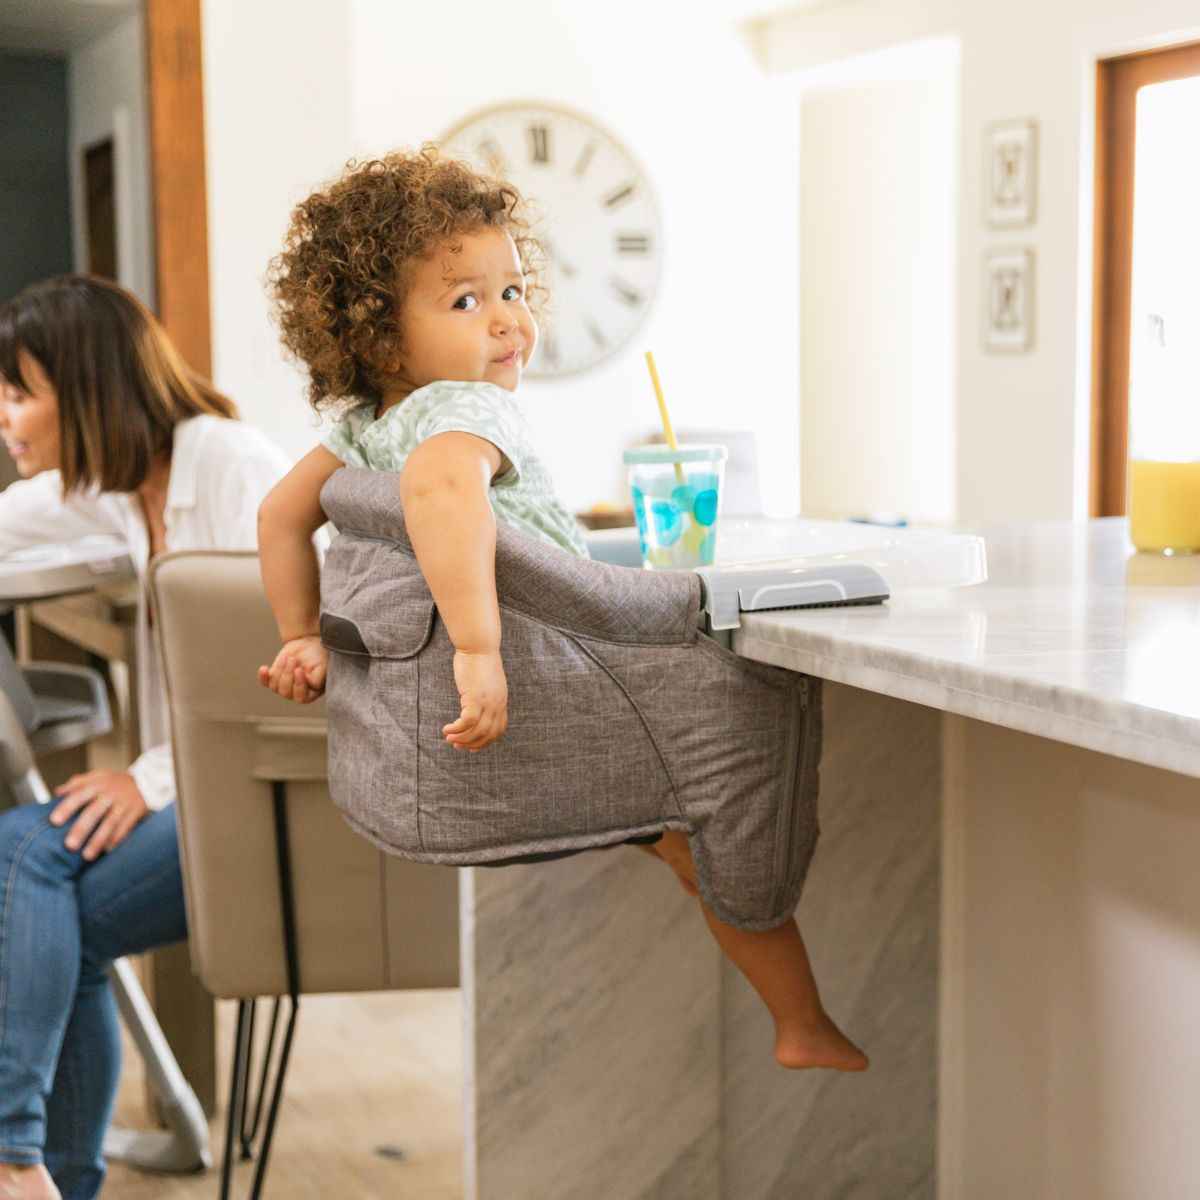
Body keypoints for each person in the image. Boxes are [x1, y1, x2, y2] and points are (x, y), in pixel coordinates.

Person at [257, 148, 868, 1074]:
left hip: (562, 676)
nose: (507, 320)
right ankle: (801, 1017)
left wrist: (300, 631)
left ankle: (798, 1021)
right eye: (466, 301)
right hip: (574, 668)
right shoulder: (465, 411)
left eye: (512, 289)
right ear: (381, 339)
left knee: (676, 846)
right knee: (705, 815)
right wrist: (475, 647)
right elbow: (438, 490)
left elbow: (280, 514)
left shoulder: (361, 423)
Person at [0, 276, 293, 1200]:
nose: (5, 417)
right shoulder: (128, 491)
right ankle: (50, 1182)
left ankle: (12, 1157)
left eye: (17, 393)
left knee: (18, 861)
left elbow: (285, 674)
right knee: (66, 932)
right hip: (214, 787)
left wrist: (149, 779)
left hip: (279, 787)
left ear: (83, 392)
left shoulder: (231, 462)